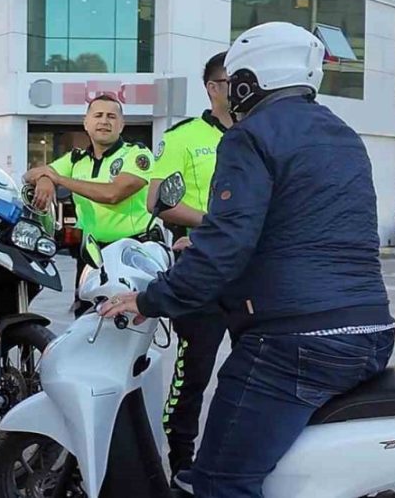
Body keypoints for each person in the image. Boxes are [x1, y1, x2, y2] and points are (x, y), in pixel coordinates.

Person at [101, 22, 394, 497]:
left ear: (246, 83)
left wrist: (151, 300)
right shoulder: (343, 135)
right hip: (371, 335)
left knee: (217, 481)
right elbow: (302, 226)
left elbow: (225, 247)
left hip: (295, 344)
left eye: (233, 80)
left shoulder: (249, 136)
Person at [146, 51, 233, 478]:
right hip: (202, 270)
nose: (240, 89)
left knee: (253, 372)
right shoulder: (184, 137)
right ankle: (181, 460)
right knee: (194, 371)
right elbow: (157, 201)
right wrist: (218, 223)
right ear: (212, 87)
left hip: (257, 276)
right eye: (231, 81)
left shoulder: (262, 134)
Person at [25, 94, 154, 318]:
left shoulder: (137, 154)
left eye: (111, 116)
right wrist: (46, 179)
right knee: (85, 321)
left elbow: (113, 194)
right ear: (86, 123)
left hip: (130, 253)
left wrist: (59, 180)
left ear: (121, 125)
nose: (104, 121)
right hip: (91, 255)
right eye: (98, 115)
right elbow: (30, 175)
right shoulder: (76, 159)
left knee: (126, 326)